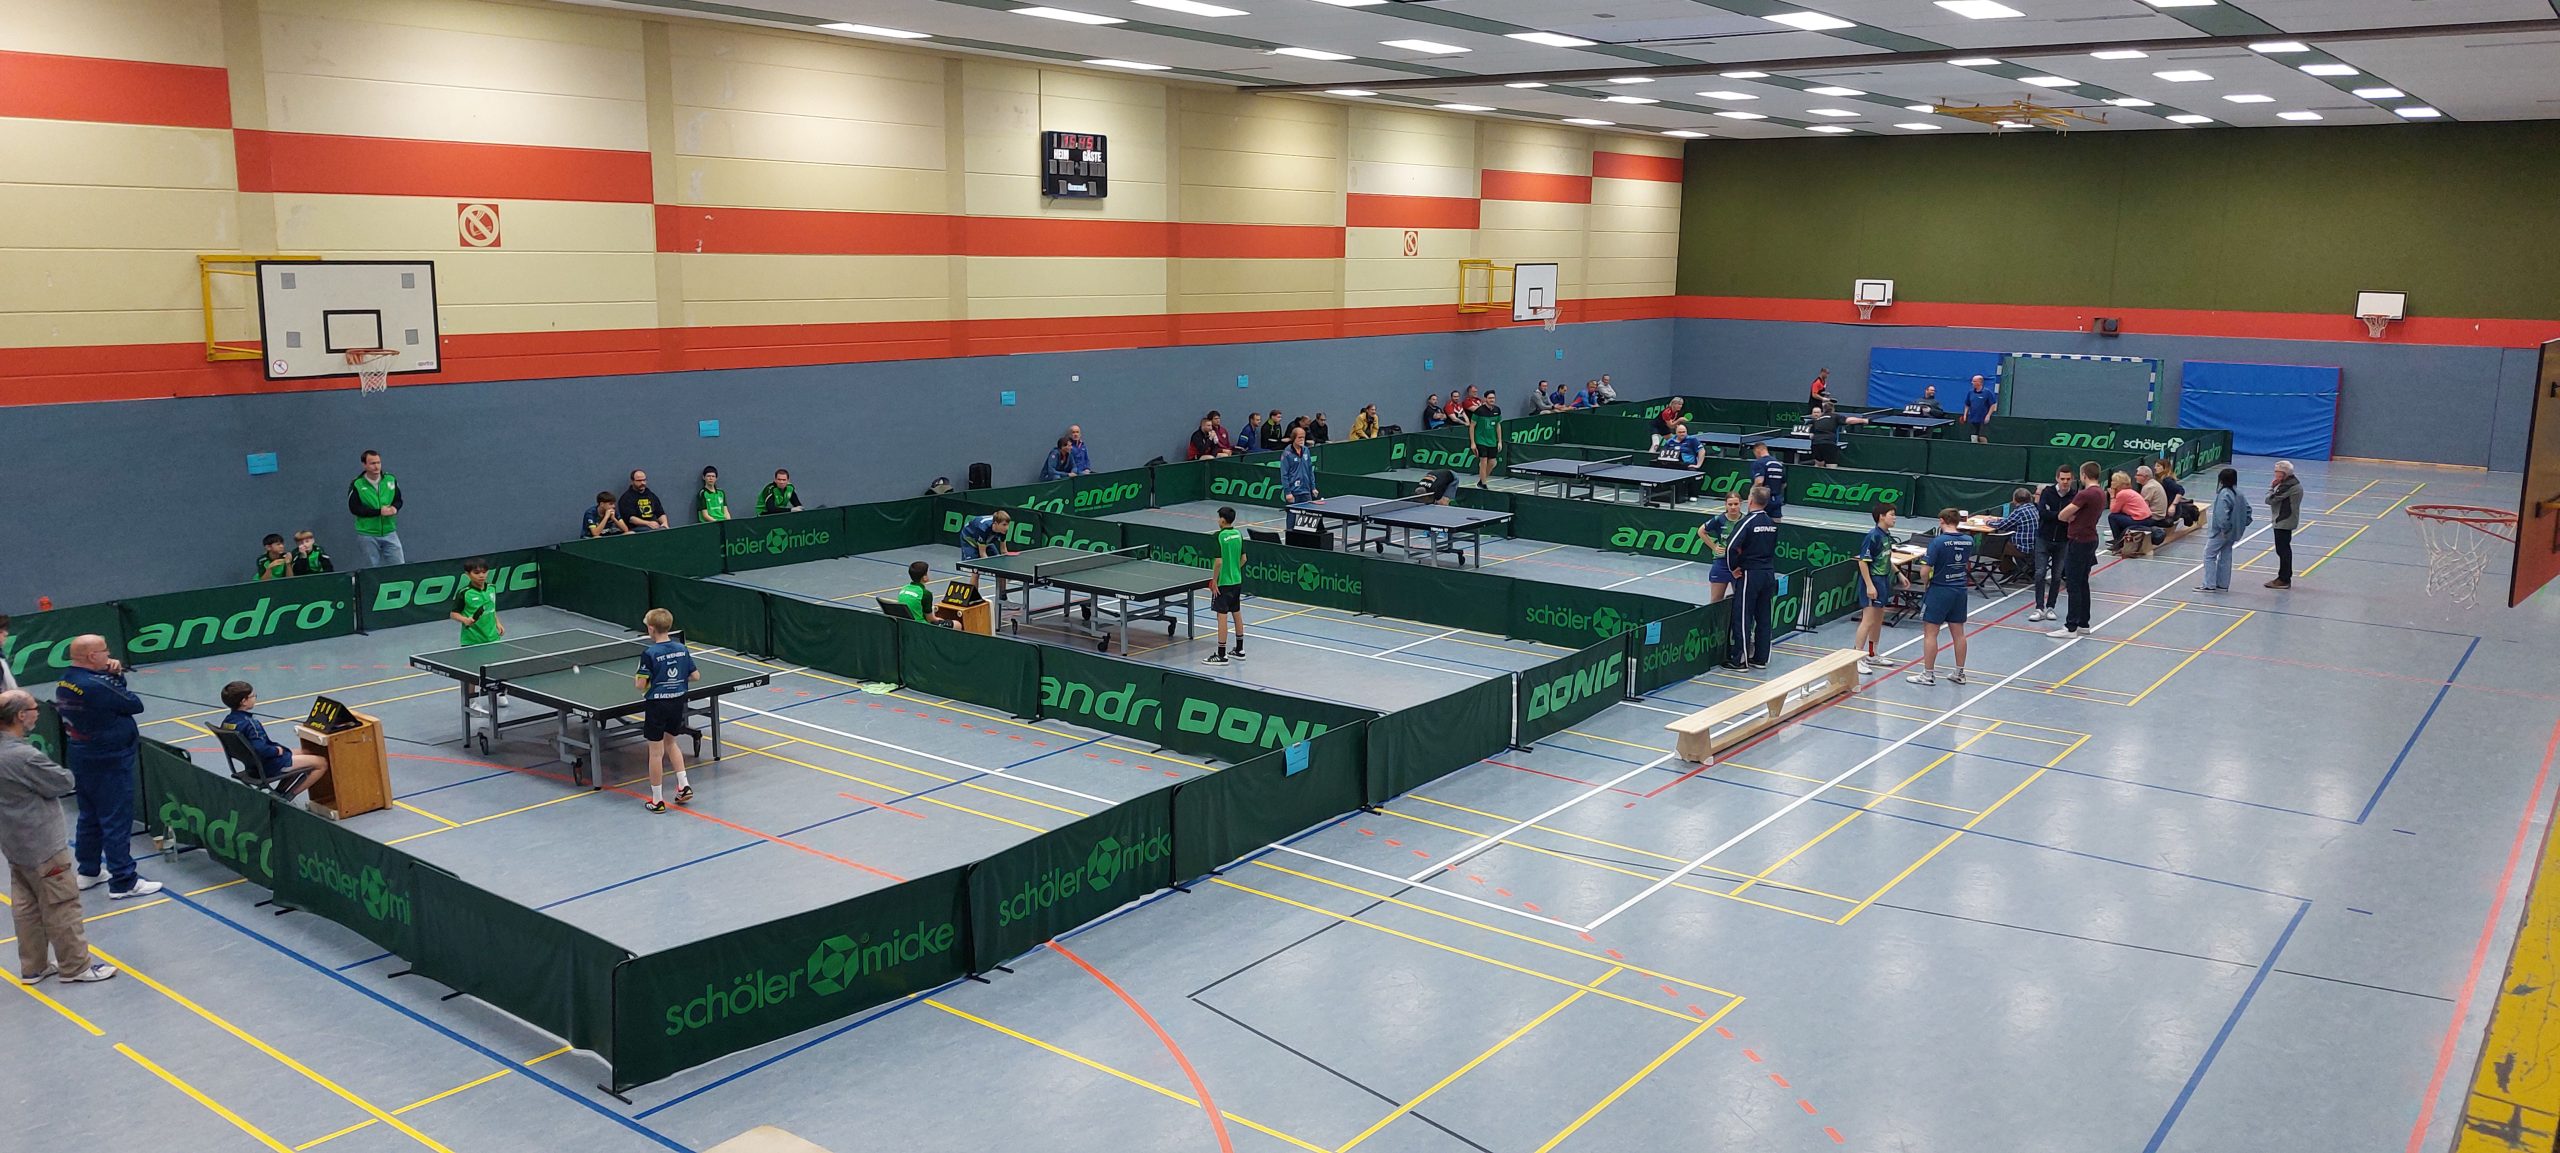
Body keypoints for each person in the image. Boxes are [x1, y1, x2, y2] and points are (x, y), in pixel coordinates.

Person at [1, 689, 117, 984]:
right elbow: (62, 782)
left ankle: (34, 966)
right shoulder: (24, 756)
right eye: (34, 708)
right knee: (62, 904)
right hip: (43, 843)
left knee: (26, 906)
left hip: (13, 842)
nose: (37, 713)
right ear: (20, 716)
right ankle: (75, 966)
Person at [53, 635, 157, 899]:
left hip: (82, 755)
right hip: (110, 759)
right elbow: (134, 704)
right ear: (92, 656)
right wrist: (117, 676)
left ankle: (88, 871)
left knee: (89, 815)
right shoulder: (97, 684)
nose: (109, 655)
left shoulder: (66, 681)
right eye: (105, 651)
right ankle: (123, 880)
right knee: (115, 819)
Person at [633, 608, 698, 813]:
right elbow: (695, 676)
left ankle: (657, 800)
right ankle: (683, 785)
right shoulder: (681, 648)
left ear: (651, 629)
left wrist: (648, 681)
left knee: (655, 753)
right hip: (677, 702)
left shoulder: (649, 653)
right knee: (671, 742)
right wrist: (675, 681)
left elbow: (640, 684)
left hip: (657, 705)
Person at [215, 682, 326, 797]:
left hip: (252, 766)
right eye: (253, 696)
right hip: (267, 766)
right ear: (243, 701)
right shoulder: (251, 724)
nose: (255, 698)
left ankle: (278, 793)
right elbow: (261, 749)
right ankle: (289, 796)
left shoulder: (227, 721)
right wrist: (277, 751)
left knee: (306, 752)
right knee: (321, 763)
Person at [1907, 509, 1976, 686]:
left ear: (1941, 521)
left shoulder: (1937, 542)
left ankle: (1928, 675)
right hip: (1960, 590)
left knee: (1930, 633)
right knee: (1959, 633)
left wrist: (1926, 583)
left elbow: (1924, 571)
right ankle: (1960, 673)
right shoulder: (1969, 540)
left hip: (1939, 590)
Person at [1721, 487, 1780, 671]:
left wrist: (1733, 568)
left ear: (1751, 500)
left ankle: (1740, 660)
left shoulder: (1747, 522)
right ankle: (1760, 658)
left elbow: (1731, 547)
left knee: (1743, 616)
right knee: (1764, 616)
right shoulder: (1771, 523)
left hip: (1750, 574)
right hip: (1768, 573)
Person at [2051, 461, 2105, 637]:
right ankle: (2083, 623)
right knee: (2082, 583)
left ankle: (2071, 626)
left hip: (2079, 541)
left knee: (2073, 584)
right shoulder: (2101, 493)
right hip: (2090, 539)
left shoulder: (2085, 494)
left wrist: (2070, 517)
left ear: (2084, 475)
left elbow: (2062, 514)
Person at [1853, 504, 1903, 674]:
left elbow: (1886, 558)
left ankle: (1872, 654)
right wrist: (1869, 585)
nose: (1894, 518)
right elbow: (1862, 562)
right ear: (1881, 516)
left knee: (1878, 619)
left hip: (1883, 580)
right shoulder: (1873, 536)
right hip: (1873, 581)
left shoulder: (1886, 535)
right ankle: (1857, 658)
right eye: (1892, 514)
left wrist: (1899, 574)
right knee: (1867, 620)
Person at [2028, 465, 2074, 623]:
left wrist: (2054, 514)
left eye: (2068, 479)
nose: (2065, 482)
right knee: (2040, 573)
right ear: (2057, 478)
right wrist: (2062, 516)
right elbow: (2043, 513)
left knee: (2056, 576)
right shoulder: (2047, 492)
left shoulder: (2074, 496)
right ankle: (2039, 608)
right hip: (2043, 538)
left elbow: (2073, 517)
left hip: (2063, 541)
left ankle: (2050, 607)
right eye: (2062, 479)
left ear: (2072, 479)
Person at [1203, 507, 1247, 666]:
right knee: (1236, 612)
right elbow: (1244, 559)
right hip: (1237, 580)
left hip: (1223, 583)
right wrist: (1234, 569)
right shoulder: (1238, 534)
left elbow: (1218, 562)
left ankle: (1221, 655)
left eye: (1218, 518)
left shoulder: (1218, 536)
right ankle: (1239, 650)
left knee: (1221, 616)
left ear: (1222, 519)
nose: (1218, 520)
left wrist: (1214, 580)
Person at [347, 450, 405, 567]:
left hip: (389, 531)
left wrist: (395, 508)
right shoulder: (357, 484)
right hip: (368, 535)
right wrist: (378, 512)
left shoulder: (390, 480)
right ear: (364, 465)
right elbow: (355, 508)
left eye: (378, 463)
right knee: (372, 569)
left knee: (399, 566)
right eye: (372, 463)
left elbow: (398, 500)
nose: (376, 466)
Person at [2198, 467, 2250, 593]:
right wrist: (2239, 526)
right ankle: (2222, 584)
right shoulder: (2239, 494)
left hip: (2221, 532)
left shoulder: (2224, 494)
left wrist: (2225, 529)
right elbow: (2248, 511)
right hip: (2232, 532)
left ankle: (2209, 584)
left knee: (2209, 555)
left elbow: (2221, 515)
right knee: (2226, 556)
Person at [1694, 492, 1745, 604]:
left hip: (1739, 565)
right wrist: (1714, 547)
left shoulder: (1746, 520)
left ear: (1741, 504)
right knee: (1715, 601)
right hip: (1721, 563)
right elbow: (1701, 531)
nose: (1733, 507)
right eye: (1730, 504)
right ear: (1725, 505)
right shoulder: (1719, 519)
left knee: (1740, 600)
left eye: (1736, 504)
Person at [1990, 485, 2040, 590]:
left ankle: (2009, 570)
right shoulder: (2033, 508)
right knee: (2005, 543)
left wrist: (1988, 522)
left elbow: (2003, 525)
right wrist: (1999, 520)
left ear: (2014, 499)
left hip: (2024, 549)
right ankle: (2023, 569)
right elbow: (2010, 521)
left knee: (1996, 545)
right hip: (2035, 547)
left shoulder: (2020, 511)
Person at [449, 558, 503, 646]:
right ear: (467, 574)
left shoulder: (492, 588)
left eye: (484, 572)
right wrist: (465, 620)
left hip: (493, 637)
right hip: (472, 640)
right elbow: (453, 614)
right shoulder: (464, 593)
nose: (481, 575)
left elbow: (491, 608)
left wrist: (498, 623)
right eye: (476, 573)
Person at [2266, 460, 2302, 589]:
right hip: (2286, 519)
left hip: (2284, 520)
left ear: (2285, 473)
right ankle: (2283, 577)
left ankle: (2284, 579)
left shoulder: (2287, 486)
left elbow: (2269, 500)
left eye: (2277, 472)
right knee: (2283, 549)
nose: (2275, 475)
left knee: (2283, 550)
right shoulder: (2291, 483)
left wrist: (2272, 487)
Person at [2105, 471, 2153, 553]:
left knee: (2112, 517)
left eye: (2113, 481)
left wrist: (2112, 496)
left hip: (2141, 520)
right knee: (2119, 516)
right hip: (2147, 518)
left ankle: (2118, 542)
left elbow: (2113, 510)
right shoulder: (2130, 491)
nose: (2111, 483)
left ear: (2118, 483)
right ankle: (2121, 539)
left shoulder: (2122, 494)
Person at [960, 509, 1013, 584]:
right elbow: (983, 554)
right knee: (975, 571)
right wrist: (991, 569)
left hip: (986, 542)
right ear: (996, 523)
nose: (1007, 527)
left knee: (1000, 569)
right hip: (969, 540)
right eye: (1004, 525)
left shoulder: (1003, 530)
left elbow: (1004, 551)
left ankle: (1002, 592)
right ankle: (974, 592)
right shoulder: (983, 528)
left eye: (1007, 524)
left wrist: (1006, 570)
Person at [893, 561, 953, 626]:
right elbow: (930, 620)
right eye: (927, 573)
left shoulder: (903, 589)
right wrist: (941, 620)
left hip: (904, 624)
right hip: (920, 626)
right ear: (924, 577)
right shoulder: (926, 594)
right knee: (957, 624)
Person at [1462, 388, 1502, 488]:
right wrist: (1473, 443)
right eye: (1490, 398)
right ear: (1485, 399)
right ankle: (1484, 484)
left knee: (1492, 463)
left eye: (1493, 398)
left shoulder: (1497, 410)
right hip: (1480, 440)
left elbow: (1498, 425)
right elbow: (1472, 426)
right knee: (1483, 461)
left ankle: (1481, 480)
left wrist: (1499, 441)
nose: (1492, 400)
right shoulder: (1479, 411)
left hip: (1492, 441)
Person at [1280, 426, 1318, 506]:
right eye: (1299, 437)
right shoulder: (1287, 454)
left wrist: (1313, 487)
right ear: (1293, 438)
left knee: (1308, 513)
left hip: (1306, 491)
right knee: (1293, 513)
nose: (1302, 439)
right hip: (1293, 492)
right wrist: (1288, 492)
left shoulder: (1306, 450)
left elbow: (1310, 470)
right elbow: (1284, 475)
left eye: (1303, 437)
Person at [1750, 439, 1787, 522]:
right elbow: (1784, 484)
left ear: (1757, 450)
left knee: (1757, 523)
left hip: (1762, 499)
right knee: (1776, 524)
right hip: (1777, 499)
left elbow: (1759, 481)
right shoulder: (1779, 464)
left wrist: (1751, 494)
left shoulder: (1759, 463)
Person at [1962, 375, 1997, 443]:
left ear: (1980, 382)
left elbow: (1993, 405)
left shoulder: (1987, 392)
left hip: (1983, 419)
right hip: (1973, 418)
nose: (1972, 382)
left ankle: (1985, 448)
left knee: (1982, 437)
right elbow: (1967, 404)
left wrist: (1988, 415)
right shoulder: (1970, 392)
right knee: (1973, 437)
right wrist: (1965, 415)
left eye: (1974, 381)